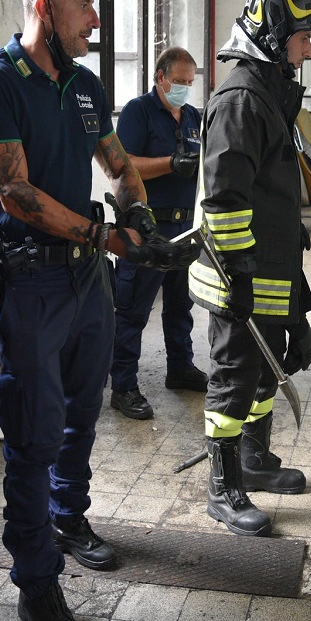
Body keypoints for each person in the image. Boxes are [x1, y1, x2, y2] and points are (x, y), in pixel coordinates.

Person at [0, 0, 196, 621]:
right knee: (34, 431)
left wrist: (143, 222)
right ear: (45, 10)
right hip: (31, 284)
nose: (96, 18)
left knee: (82, 413)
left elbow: (120, 168)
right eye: (85, 4)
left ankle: (70, 518)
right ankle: (37, 585)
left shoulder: (88, 86)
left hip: (86, 279)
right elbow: (17, 196)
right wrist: (107, 235)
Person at [189, 0, 311, 537]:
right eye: (303, 36)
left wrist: (291, 293)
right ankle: (222, 488)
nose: (309, 47)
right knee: (234, 376)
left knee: (267, 371)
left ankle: (253, 459)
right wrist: (241, 275)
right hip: (238, 273)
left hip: (270, 268)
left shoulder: (271, 93)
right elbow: (224, 199)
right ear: (274, 33)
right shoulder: (241, 99)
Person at [109, 47, 207, 420]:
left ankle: (180, 368)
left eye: (189, 82)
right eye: (178, 81)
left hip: (185, 225)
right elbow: (123, 165)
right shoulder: (138, 112)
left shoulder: (193, 118)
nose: (184, 87)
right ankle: (124, 386)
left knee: (181, 305)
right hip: (148, 226)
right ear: (160, 77)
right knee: (133, 310)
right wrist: (170, 163)